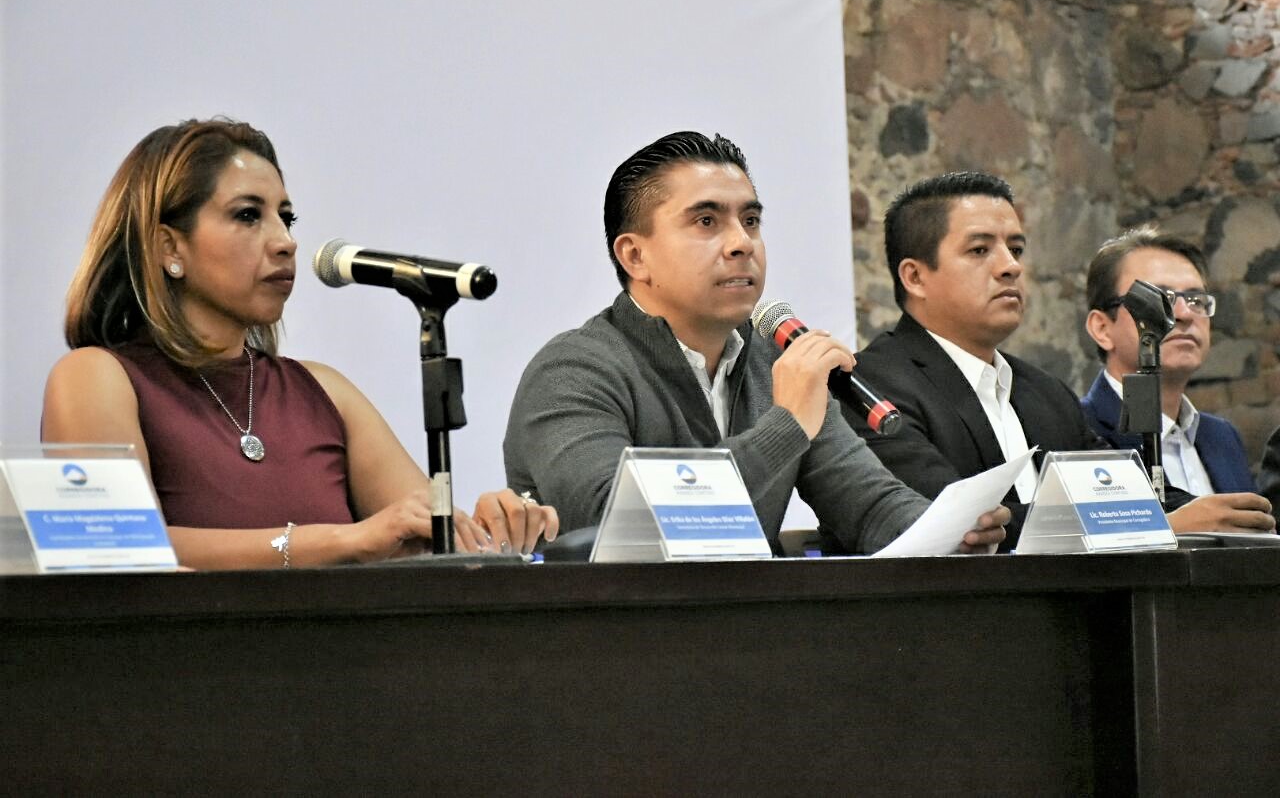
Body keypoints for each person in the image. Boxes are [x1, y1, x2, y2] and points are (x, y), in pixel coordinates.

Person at [42, 119, 558, 569]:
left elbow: (428, 541)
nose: (285, 241)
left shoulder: (324, 391)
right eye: (248, 215)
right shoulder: (96, 377)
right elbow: (110, 552)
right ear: (168, 247)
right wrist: (342, 541)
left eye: (286, 218)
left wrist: (494, 532)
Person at [502, 132, 1008, 555]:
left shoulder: (772, 363)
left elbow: (868, 505)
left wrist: (946, 533)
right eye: (706, 221)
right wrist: (786, 427)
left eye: (751, 220)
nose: (742, 242)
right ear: (635, 256)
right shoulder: (572, 370)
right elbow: (619, 524)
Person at [843, 171, 1272, 547]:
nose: (1010, 267)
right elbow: (953, 520)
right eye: (979, 251)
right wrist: (1161, 524)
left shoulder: (1044, 392)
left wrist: (1216, 514)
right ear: (915, 276)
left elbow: (1126, 488)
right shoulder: (870, 383)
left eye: (1016, 249)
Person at [1082, 227, 1259, 498]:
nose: (1185, 314)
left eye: (1196, 300)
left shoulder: (1221, 437)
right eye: (1159, 299)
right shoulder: (1078, 428)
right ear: (1103, 329)